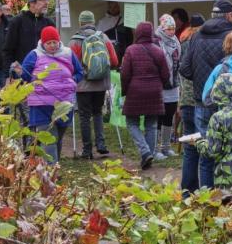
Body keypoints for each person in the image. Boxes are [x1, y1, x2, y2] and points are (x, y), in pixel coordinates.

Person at [178, 0, 232, 187]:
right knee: (228, 149)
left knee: (206, 151)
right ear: (228, 15)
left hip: (201, 102)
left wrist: (201, 81)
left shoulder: (196, 36)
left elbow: (184, 68)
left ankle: (206, 197)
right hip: (227, 103)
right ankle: (225, 195)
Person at [17, 26, 83, 164]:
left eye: (55, 42)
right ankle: (51, 169)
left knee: (57, 136)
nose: (52, 46)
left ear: (59, 41)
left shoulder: (68, 53)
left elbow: (79, 72)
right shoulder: (34, 55)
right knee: (49, 137)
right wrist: (18, 73)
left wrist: (73, 81)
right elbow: (25, 74)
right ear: (43, 43)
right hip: (41, 103)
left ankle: (53, 166)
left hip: (63, 102)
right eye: (49, 43)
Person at [68, 10, 120, 159]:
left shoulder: (74, 41)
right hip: (101, 83)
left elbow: (71, 65)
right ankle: (101, 144)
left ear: (80, 23)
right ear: (92, 22)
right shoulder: (103, 37)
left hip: (83, 84)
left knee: (84, 116)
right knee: (97, 112)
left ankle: (87, 150)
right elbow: (115, 61)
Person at [3, 0, 55, 131]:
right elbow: (8, 51)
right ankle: (27, 151)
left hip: (44, 78)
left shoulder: (49, 23)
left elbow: (56, 50)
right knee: (27, 117)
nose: (46, 3)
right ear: (32, 3)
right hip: (22, 78)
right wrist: (9, 75)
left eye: (47, 0)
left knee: (43, 117)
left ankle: (39, 149)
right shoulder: (17, 22)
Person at [120, 22, 170, 170]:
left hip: (135, 91)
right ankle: (148, 155)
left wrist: (124, 91)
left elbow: (125, 74)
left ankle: (145, 151)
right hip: (154, 91)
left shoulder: (130, 50)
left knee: (132, 122)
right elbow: (166, 75)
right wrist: (158, 84)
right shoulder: (158, 51)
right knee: (152, 125)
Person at [178, 13, 205, 194]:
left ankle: (187, 188)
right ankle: (204, 188)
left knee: (190, 147)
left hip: (185, 101)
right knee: (204, 145)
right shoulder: (200, 43)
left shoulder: (183, 42)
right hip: (198, 101)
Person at [154, 14, 182, 160]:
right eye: (169, 29)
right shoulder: (157, 41)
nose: (172, 32)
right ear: (163, 29)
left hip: (173, 83)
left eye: (173, 29)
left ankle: (166, 146)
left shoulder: (175, 41)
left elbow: (179, 60)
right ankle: (156, 148)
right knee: (159, 115)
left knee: (170, 114)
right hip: (161, 84)